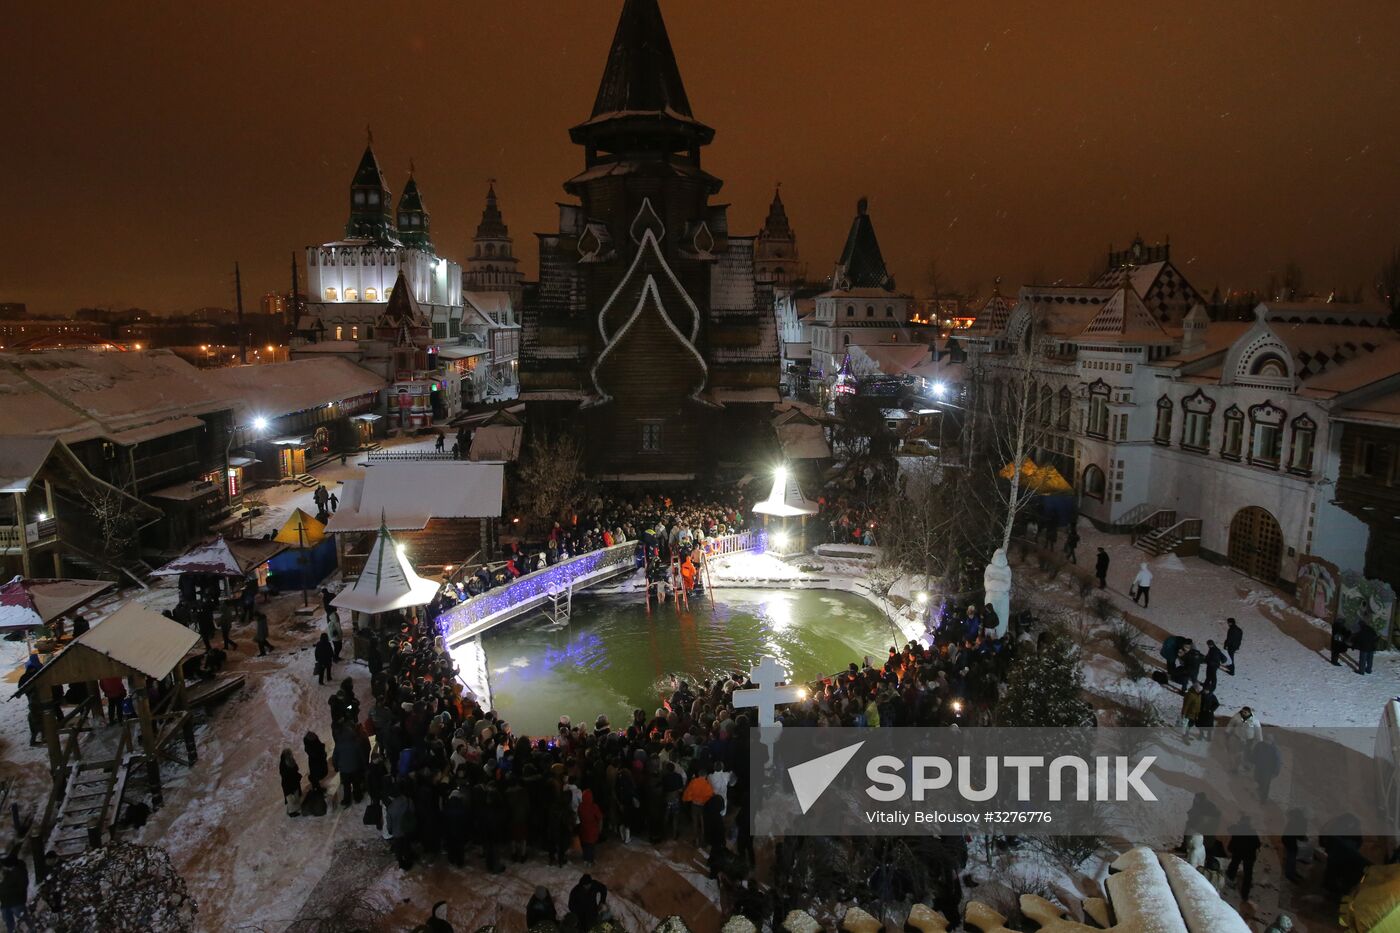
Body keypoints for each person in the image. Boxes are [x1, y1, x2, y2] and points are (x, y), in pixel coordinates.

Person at [1226, 818, 1262, 902]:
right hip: (1249, 855)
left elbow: (1230, 830)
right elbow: (1257, 844)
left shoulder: (1237, 829)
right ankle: (1245, 893)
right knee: (1248, 873)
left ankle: (1230, 878)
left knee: (1234, 864)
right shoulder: (1252, 832)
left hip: (1238, 852)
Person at [0, 854, 27, 933]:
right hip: (6, 902)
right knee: (9, 923)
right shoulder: (9, 873)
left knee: (23, 920)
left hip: (16, 902)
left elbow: (21, 888)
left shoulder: (19, 873)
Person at [1252, 734, 1281, 801]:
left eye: (1269, 740)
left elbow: (1278, 761)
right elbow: (1254, 753)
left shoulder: (1275, 749)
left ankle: (1263, 799)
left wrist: (1276, 771)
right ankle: (1260, 791)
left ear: (1272, 741)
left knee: (1265, 784)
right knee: (1258, 780)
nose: (1267, 741)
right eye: (1266, 739)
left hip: (1268, 770)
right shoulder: (1260, 745)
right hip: (1259, 767)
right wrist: (1253, 761)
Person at [279, 748, 302, 816]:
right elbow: (293, 770)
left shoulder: (287, 762)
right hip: (289, 783)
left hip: (291, 782)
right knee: (290, 799)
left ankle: (294, 809)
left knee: (293, 797)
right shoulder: (285, 764)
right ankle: (291, 812)